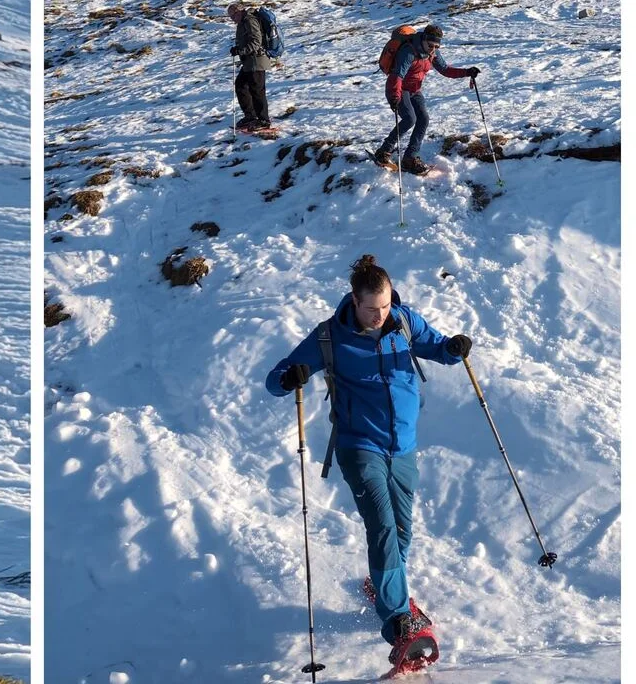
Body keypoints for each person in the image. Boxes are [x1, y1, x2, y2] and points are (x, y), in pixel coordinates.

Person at [264, 255, 473, 666]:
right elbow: (277, 376)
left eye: (385, 305)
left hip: (404, 446)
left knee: (400, 530)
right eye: (371, 308)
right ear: (354, 302)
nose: (380, 315)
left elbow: (436, 346)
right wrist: (290, 377)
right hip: (359, 445)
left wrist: (453, 348)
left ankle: (383, 582)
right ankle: (398, 620)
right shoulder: (330, 337)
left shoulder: (404, 321)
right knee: (380, 523)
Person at [373, 24, 481, 175]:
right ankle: (384, 151)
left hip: (415, 90)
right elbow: (397, 75)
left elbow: (445, 69)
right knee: (409, 119)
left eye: (436, 46)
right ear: (423, 39)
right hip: (399, 89)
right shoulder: (408, 51)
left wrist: (467, 72)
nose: (433, 49)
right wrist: (394, 96)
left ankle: (410, 158)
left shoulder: (432, 53)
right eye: (430, 45)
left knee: (423, 119)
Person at [227, 2, 272, 131]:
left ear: (238, 12)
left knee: (257, 91)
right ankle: (250, 116)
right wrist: (238, 48)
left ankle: (263, 120)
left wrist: (241, 51)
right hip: (249, 61)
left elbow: (256, 41)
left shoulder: (249, 20)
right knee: (241, 85)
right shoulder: (243, 22)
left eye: (232, 16)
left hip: (257, 60)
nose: (232, 20)